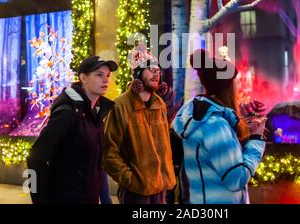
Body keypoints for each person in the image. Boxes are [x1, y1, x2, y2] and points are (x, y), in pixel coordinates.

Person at [172, 49, 266, 204]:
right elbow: (236, 179)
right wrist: (256, 141)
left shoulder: (204, 119)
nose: (238, 87)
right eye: (235, 82)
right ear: (227, 87)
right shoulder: (214, 125)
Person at [27, 55, 118, 204]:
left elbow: (96, 163)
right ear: (83, 77)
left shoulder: (96, 114)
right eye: (99, 75)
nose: (106, 80)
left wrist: (104, 197)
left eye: (107, 75)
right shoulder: (67, 113)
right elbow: (35, 158)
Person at [102, 42, 176, 204]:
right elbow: (109, 152)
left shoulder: (159, 105)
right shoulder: (121, 105)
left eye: (158, 70)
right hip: (136, 194)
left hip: (161, 189)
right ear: (137, 74)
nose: (156, 74)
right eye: (151, 70)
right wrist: (132, 181)